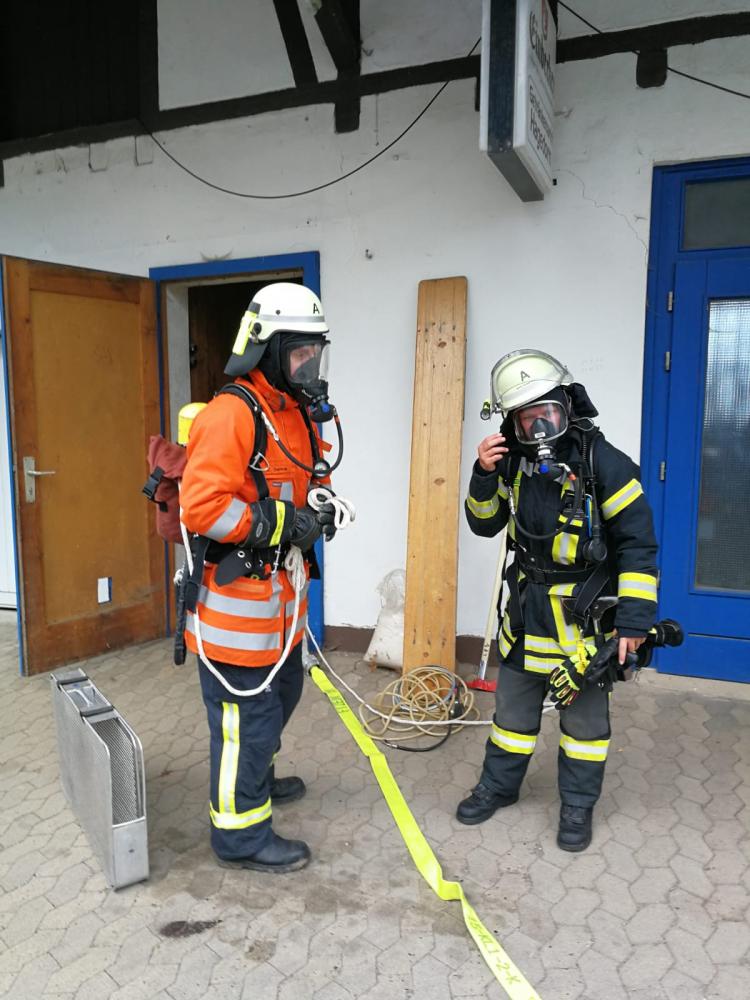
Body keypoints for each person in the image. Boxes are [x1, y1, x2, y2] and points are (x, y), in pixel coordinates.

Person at [457, 349, 658, 851]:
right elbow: (484, 523)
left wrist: (634, 621)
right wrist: (483, 473)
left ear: (567, 405)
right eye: (528, 418)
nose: (541, 426)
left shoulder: (605, 465)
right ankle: (498, 787)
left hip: (583, 625)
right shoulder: (511, 464)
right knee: (512, 716)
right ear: (512, 423)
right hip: (527, 614)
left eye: (548, 411)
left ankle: (578, 806)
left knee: (584, 725)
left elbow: (638, 545)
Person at [180, 282, 341, 873]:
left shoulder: (294, 414)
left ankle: (257, 779)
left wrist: (321, 508)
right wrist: (280, 522)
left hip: (281, 609)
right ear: (267, 350)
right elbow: (202, 507)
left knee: (282, 697)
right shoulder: (231, 414)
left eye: (315, 354)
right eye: (300, 354)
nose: (310, 366)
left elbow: (310, 478)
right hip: (236, 611)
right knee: (244, 722)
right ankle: (240, 836)